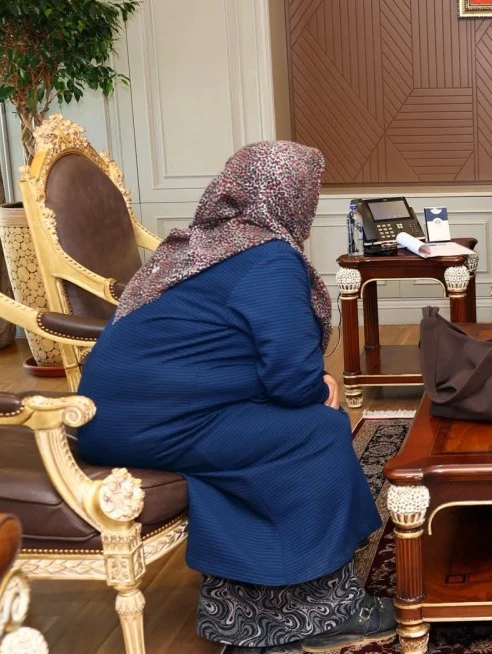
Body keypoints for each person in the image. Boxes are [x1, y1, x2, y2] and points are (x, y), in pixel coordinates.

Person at [76, 142, 392, 653]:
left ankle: (252, 598)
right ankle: (318, 613)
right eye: (309, 193)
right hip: (152, 424)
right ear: (288, 197)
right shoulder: (268, 257)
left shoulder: (199, 243)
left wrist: (307, 382)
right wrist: (320, 387)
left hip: (109, 416)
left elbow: (228, 350)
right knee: (317, 430)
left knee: (290, 424)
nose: (310, 205)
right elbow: (291, 382)